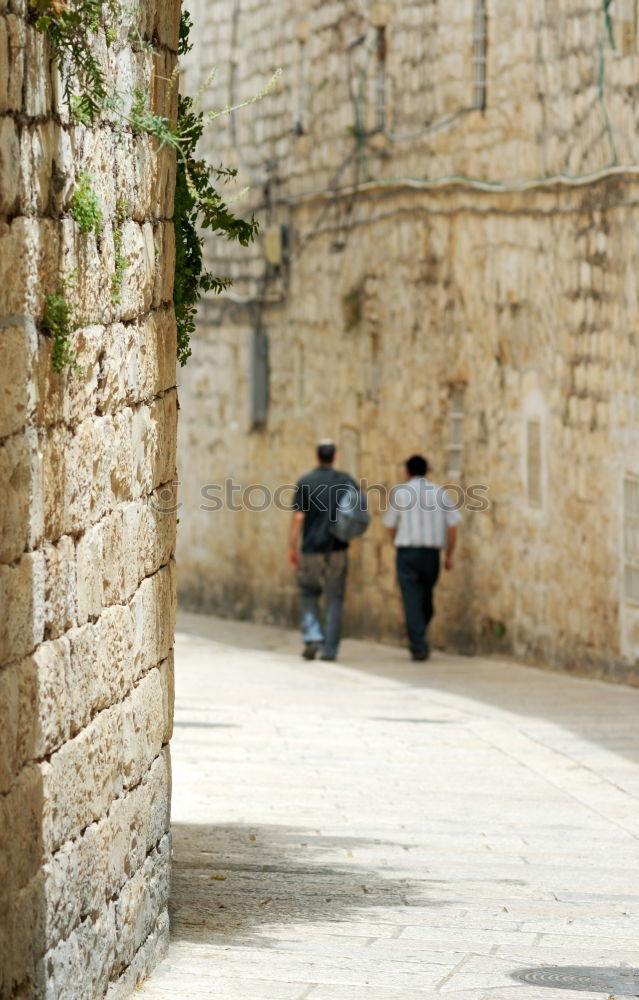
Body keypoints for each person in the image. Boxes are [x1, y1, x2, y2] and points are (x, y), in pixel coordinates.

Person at [383, 455, 461, 661]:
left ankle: (417, 638)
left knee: (413, 598)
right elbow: (452, 526)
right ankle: (418, 643)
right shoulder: (440, 493)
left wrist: (394, 540)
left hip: (408, 553)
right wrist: (449, 554)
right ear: (427, 471)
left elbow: (390, 524)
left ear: (407, 472)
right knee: (424, 596)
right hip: (430, 554)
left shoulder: (400, 493)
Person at [289, 440, 358, 661]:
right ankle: (330, 650)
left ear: (317, 456)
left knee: (308, 592)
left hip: (311, 548)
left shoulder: (306, 482)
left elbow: (299, 516)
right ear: (335, 456)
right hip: (337, 546)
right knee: (335, 596)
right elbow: (357, 509)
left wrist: (292, 544)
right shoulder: (346, 480)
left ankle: (312, 637)